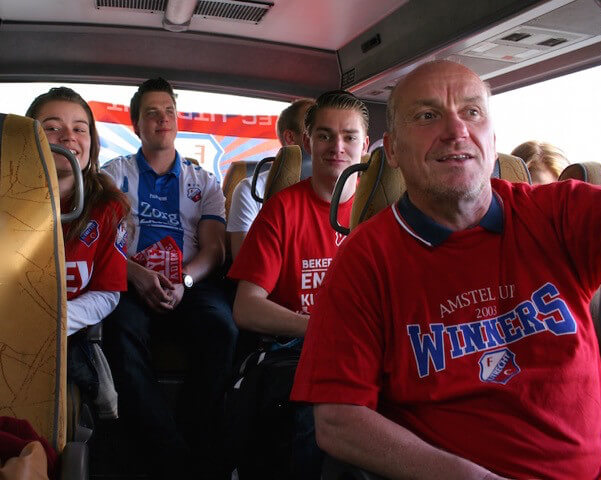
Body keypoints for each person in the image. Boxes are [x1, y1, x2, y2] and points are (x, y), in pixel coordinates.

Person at [291, 60, 601, 480]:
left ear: (492, 138)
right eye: (427, 116)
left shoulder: (559, 214)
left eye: (472, 112)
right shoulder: (365, 259)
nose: (456, 131)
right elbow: (338, 421)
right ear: (390, 150)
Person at [227, 90, 369, 479]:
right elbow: (246, 306)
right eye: (324, 136)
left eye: (349, 137)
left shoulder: (383, 216)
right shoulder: (282, 210)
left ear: (366, 145)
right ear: (308, 142)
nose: (337, 147)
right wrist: (317, 327)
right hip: (300, 350)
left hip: (369, 351)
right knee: (315, 417)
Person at [101, 78, 237, 478]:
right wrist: (136, 275)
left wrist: (185, 283)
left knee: (222, 328)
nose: (162, 120)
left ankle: (192, 438)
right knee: (119, 330)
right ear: (136, 125)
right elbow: (104, 246)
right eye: (151, 113)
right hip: (130, 279)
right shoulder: (114, 176)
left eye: (169, 112)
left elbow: (214, 250)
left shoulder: (204, 182)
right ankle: (173, 457)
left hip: (191, 283)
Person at [26, 87, 129, 418]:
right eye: (52, 127)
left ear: (91, 142)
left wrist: (49, 323)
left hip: (65, 334)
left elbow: (107, 293)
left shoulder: (110, 209)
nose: (68, 136)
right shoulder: (6, 201)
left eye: (79, 128)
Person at [226, 98, 315, 259]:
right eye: (312, 129)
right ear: (290, 138)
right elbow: (245, 260)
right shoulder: (250, 190)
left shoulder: (340, 188)